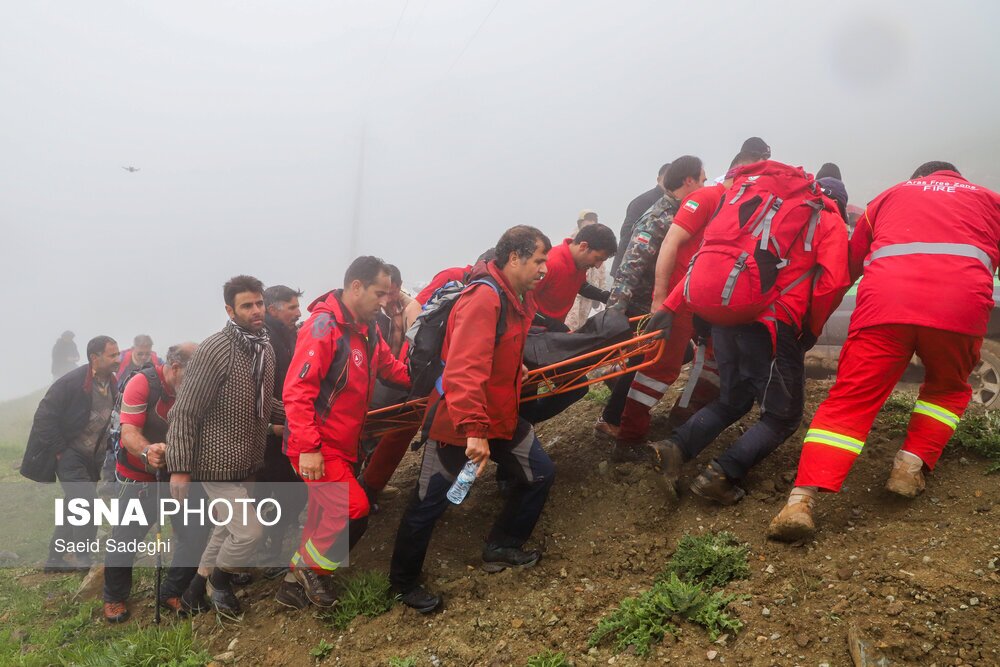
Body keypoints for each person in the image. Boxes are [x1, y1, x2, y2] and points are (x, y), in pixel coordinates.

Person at [768, 161, 1000, 541]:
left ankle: (800, 501)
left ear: (918, 180)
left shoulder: (889, 197)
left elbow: (847, 267)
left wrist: (813, 325)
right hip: (958, 308)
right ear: (958, 176)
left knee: (849, 401)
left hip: (884, 307)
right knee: (947, 388)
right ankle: (908, 467)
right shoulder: (990, 201)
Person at [650, 159, 850, 505]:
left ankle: (675, 449)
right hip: (773, 324)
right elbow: (833, 283)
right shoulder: (826, 216)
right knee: (782, 416)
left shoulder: (750, 206)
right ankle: (721, 475)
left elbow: (712, 259)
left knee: (734, 398)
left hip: (727, 314)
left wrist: (668, 305)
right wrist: (811, 330)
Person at [390, 226, 555, 614]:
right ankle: (403, 583)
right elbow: (464, 370)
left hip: (498, 415)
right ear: (514, 258)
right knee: (429, 503)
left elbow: (495, 354)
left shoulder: (513, 297)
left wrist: (517, 372)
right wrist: (475, 432)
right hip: (461, 424)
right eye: (539, 260)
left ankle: (502, 544)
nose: (544, 269)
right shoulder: (484, 298)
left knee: (541, 473)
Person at [612, 151, 764, 451]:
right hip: (679, 296)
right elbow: (666, 244)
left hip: (707, 297)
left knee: (711, 358)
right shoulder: (707, 199)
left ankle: (685, 415)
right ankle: (628, 438)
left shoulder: (739, 205)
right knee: (660, 368)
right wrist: (659, 300)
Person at [281, 257, 410, 609]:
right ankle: (311, 570)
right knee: (354, 508)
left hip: (343, 444)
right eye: (379, 293)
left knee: (325, 514)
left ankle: (292, 586)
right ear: (356, 287)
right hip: (317, 445)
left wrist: (430, 380)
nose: (384, 301)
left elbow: (389, 367)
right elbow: (297, 390)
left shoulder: (367, 329)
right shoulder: (324, 327)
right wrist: (309, 447)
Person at [165, 275, 283, 619]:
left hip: (247, 459)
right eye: (247, 305)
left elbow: (265, 402)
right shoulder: (215, 349)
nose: (256, 310)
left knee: (225, 529)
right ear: (230, 310)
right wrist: (180, 469)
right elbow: (185, 410)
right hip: (215, 462)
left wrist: (302, 414)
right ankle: (220, 583)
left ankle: (194, 592)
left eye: (259, 303)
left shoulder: (264, 347)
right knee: (248, 532)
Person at [596, 157, 708, 451]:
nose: (705, 186)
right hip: (643, 304)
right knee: (644, 361)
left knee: (656, 358)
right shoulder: (660, 216)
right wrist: (617, 310)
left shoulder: (678, 212)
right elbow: (632, 264)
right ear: (689, 181)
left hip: (656, 304)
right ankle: (611, 418)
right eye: (703, 180)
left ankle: (615, 411)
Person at [102, 342, 197, 623]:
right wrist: (147, 450)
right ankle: (114, 596)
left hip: (179, 473)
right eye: (194, 375)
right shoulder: (142, 384)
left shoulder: (192, 389)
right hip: (139, 475)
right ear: (176, 368)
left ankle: (172, 589)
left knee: (194, 531)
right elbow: (128, 431)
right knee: (126, 537)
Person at [22, 336, 120, 571]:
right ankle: (83, 557)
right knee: (87, 503)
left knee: (72, 505)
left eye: (117, 354)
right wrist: (60, 451)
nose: (117, 359)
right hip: (69, 453)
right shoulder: (71, 382)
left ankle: (54, 559)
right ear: (94, 358)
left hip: (93, 457)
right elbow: (44, 416)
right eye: (112, 355)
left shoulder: (113, 382)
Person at [258, 285, 307, 579]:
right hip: (266, 433)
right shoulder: (263, 340)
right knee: (266, 493)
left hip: (288, 424)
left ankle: (275, 542)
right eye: (291, 307)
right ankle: (266, 549)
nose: (298, 312)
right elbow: (252, 390)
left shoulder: (291, 334)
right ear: (273, 310)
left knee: (294, 490)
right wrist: (269, 424)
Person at [533, 221, 617, 331]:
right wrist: (551, 324)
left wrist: (605, 296)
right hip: (532, 333)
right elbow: (520, 302)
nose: (597, 266)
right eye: (597, 259)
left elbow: (580, 285)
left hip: (551, 332)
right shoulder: (550, 264)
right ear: (583, 246)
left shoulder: (579, 264)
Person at [611, 163, 671, 278]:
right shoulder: (645, 201)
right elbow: (627, 232)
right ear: (659, 179)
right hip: (631, 267)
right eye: (668, 177)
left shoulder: (670, 202)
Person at [564, 211, 611, 330]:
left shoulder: (598, 246)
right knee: (571, 322)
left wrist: (600, 292)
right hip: (573, 292)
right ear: (580, 224)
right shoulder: (575, 244)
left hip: (588, 290)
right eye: (587, 224)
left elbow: (600, 270)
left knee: (582, 323)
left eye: (592, 224)